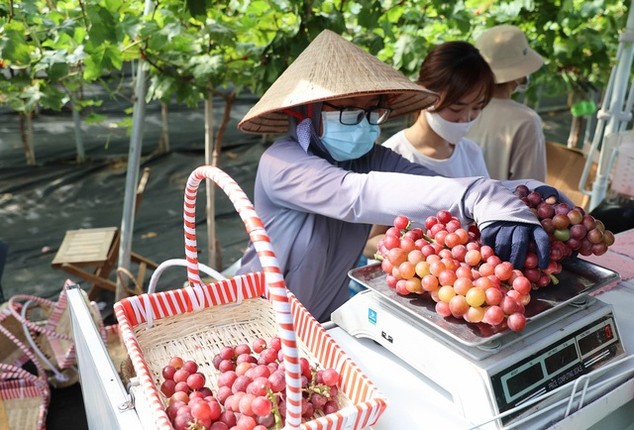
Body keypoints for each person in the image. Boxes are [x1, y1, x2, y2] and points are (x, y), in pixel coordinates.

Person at [235, 29, 557, 323]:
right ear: (307, 111)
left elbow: (433, 185)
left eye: (372, 112)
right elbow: (358, 195)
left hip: (322, 321)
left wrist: (521, 190)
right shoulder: (282, 163)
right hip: (260, 318)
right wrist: (477, 195)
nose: (364, 124)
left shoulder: (368, 158)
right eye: (351, 111)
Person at [364, 41, 494, 259]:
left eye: (477, 108)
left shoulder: (471, 153)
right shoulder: (393, 157)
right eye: (456, 108)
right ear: (426, 95)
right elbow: (368, 242)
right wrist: (419, 256)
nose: (466, 119)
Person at [466, 24, 547, 182]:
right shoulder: (526, 121)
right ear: (519, 73)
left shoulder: (458, 109)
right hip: (499, 204)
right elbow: (532, 187)